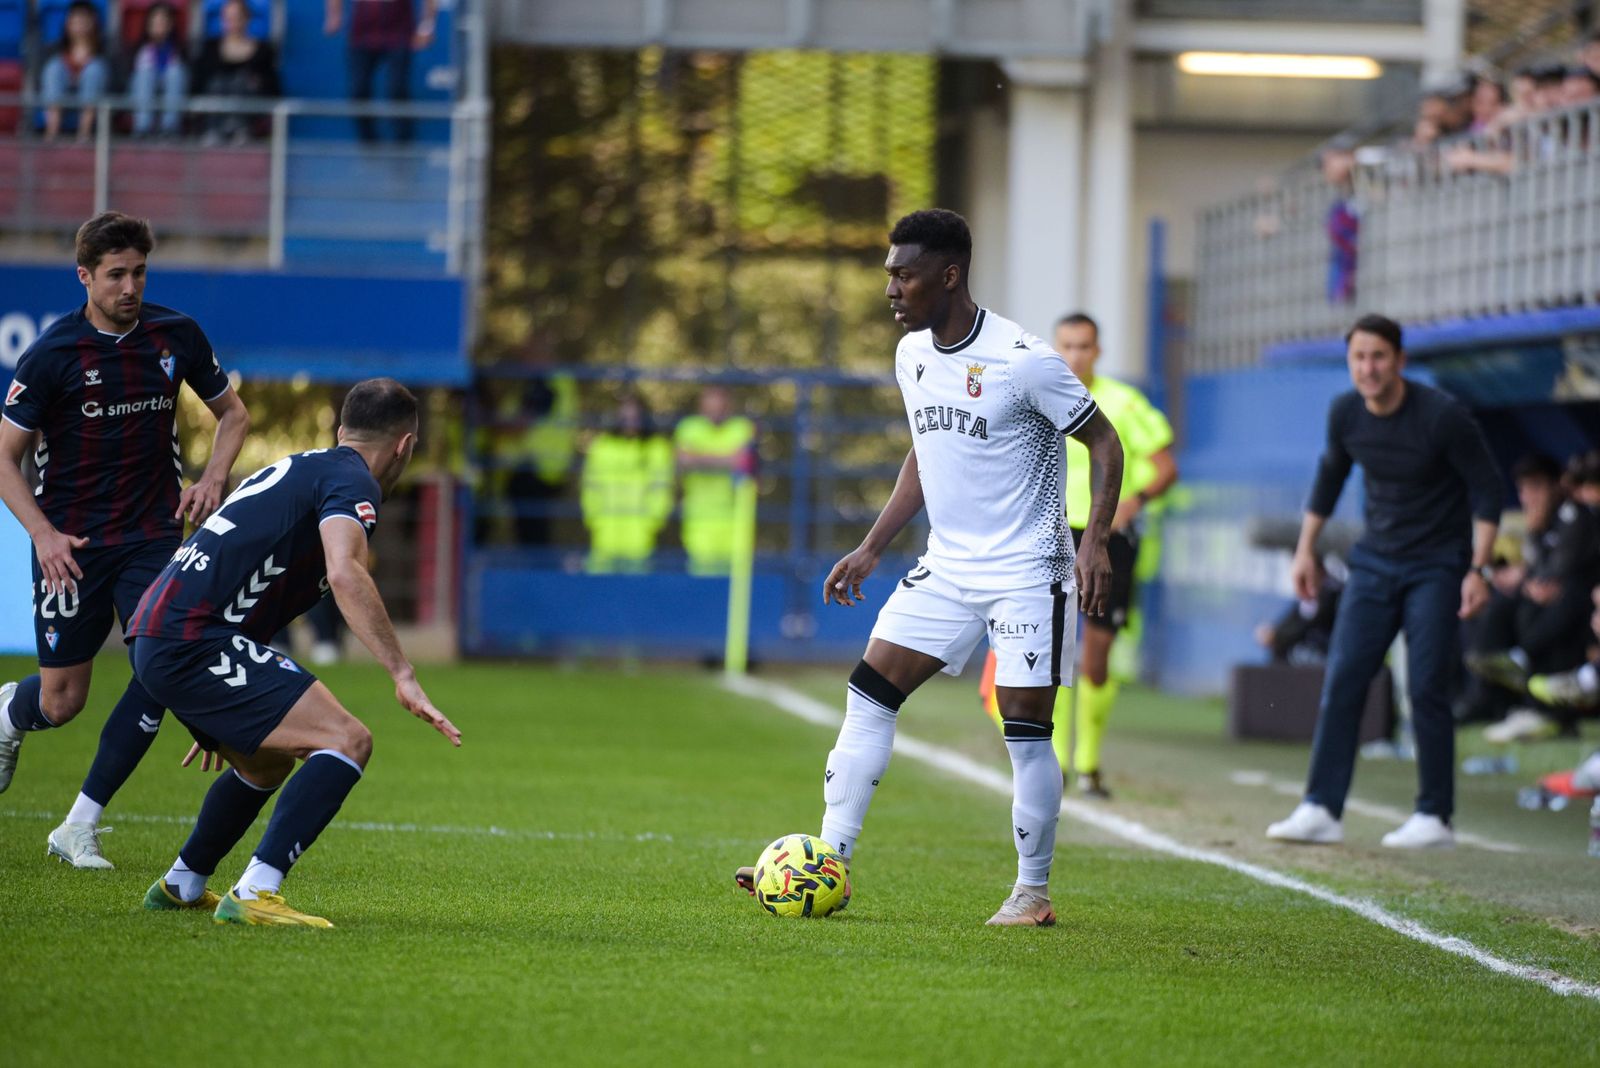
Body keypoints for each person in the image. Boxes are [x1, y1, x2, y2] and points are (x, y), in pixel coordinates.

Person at [733, 209, 1125, 926]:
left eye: (903, 275)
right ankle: (827, 860)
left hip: (1028, 570)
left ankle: (1031, 892)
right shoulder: (912, 354)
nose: (891, 289)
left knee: (1025, 729)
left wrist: (1094, 540)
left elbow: (1104, 442)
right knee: (869, 692)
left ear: (948, 276)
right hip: (946, 565)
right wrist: (874, 543)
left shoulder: (1023, 359)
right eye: (889, 275)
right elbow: (926, 451)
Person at [129, 378, 460, 927]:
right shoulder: (353, 482)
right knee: (348, 740)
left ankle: (182, 883)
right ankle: (257, 891)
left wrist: (209, 703)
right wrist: (402, 672)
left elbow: (236, 570)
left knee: (267, 761)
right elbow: (346, 570)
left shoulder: (298, 467)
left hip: (161, 632)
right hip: (190, 638)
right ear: (404, 446)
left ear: (340, 431)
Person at [0, 212, 251, 867]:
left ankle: (78, 824)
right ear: (85, 277)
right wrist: (42, 533)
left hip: (152, 538)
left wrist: (213, 478)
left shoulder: (175, 335)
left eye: (139, 272)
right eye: (116, 275)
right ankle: (7, 713)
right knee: (62, 702)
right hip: (72, 546)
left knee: (158, 662)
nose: (130, 286)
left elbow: (234, 415)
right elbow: (4, 456)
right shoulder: (53, 354)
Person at [1266, 314, 1501, 850]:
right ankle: (1322, 808)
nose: (1368, 368)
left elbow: (1488, 492)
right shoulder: (1346, 412)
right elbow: (1329, 478)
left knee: (1425, 686)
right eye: (1359, 358)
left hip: (1437, 565)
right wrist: (1306, 551)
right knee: (1345, 678)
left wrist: (1479, 569)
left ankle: (1435, 816)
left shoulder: (1442, 417)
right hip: (1374, 562)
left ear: (1399, 360)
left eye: (1378, 357)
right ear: (1349, 362)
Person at [976, 312, 1177, 800]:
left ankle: (1089, 761)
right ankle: (1058, 762)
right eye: (1067, 345)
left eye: (1084, 346)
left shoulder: (1124, 403)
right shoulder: (1037, 395)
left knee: (1099, 653)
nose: (1075, 355)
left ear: (1098, 351)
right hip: (1050, 533)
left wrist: (1136, 501)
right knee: (1047, 647)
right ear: (1056, 347)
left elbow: (1165, 466)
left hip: (1107, 537)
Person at [1468, 454, 1600, 740]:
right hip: (1563, 606)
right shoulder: (1541, 522)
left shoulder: (1576, 516)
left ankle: (1529, 669)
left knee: (1567, 599)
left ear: (1556, 486)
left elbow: (1567, 570)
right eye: (1524, 489)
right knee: (1512, 605)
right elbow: (1539, 571)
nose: (1529, 496)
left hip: (1579, 605)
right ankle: (1496, 696)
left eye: (1536, 487)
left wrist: (1541, 581)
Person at [579, 393, 674, 573]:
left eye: (635, 416)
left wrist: (651, 523)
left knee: (637, 594)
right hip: (604, 536)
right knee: (601, 591)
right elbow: (590, 487)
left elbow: (661, 489)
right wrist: (595, 520)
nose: (630, 421)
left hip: (640, 538)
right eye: (625, 415)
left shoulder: (657, 448)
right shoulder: (602, 447)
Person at [323, 0, 436, 144]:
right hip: (362, 35)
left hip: (399, 34)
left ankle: (404, 145)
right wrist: (334, 14)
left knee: (397, 89)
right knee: (358, 90)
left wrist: (426, 26)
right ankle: (369, 143)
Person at [674, 385, 756, 576]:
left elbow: (744, 461)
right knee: (701, 577)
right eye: (710, 408)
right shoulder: (689, 427)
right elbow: (684, 460)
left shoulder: (741, 428)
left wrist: (700, 457)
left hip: (736, 518)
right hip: (699, 517)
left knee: (734, 580)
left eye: (720, 407)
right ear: (702, 407)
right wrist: (726, 458)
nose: (715, 413)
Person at [192, 0, 281, 144]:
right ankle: (213, 131)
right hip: (213, 118)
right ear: (222, 20)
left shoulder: (264, 51)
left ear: (247, 19)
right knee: (218, 83)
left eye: (238, 17)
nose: (233, 23)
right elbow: (197, 82)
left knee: (241, 81)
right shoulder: (209, 48)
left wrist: (259, 83)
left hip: (248, 115)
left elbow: (274, 87)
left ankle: (239, 129)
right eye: (228, 18)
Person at [39, 1, 109, 142]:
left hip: (95, 97)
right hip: (62, 94)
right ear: (67, 23)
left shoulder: (106, 50)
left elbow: (116, 81)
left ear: (93, 23)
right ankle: (52, 132)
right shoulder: (54, 49)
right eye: (76, 20)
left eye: (84, 20)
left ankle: (84, 134)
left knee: (94, 71)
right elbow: (41, 80)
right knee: (54, 69)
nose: (80, 25)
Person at [127, 1, 188, 138]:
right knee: (145, 74)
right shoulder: (136, 49)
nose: (159, 25)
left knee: (175, 73)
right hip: (139, 90)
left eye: (163, 21)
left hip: (172, 88)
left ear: (171, 24)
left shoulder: (181, 50)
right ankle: (142, 128)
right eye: (156, 21)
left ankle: (170, 128)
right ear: (148, 24)